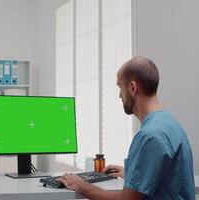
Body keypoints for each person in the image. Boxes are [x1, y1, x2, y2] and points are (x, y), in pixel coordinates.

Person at [57, 57, 195, 199]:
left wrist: (82, 186)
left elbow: (127, 199)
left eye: (120, 87)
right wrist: (132, 175)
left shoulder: (149, 136)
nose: (119, 95)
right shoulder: (169, 122)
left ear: (133, 88)